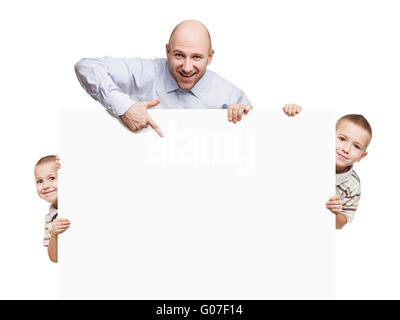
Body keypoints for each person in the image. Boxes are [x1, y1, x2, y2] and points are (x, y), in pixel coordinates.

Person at [74, 20, 253, 137]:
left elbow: (253, 144)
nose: (187, 67)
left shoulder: (231, 96)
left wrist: (241, 118)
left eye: (197, 57)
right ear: (167, 51)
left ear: (210, 56)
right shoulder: (147, 72)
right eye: (179, 55)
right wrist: (124, 107)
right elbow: (87, 67)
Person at [282, 105, 372, 229]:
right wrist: (292, 113)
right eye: (342, 139)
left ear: (362, 156)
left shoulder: (353, 184)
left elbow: (340, 224)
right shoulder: (310, 152)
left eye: (356, 146)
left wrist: (335, 212)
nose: (346, 149)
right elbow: (288, 138)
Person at [34, 155, 71, 262]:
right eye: (40, 181)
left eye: (52, 178)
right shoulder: (50, 217)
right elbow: (54, 258)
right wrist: (54, 234)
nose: (45, 186)